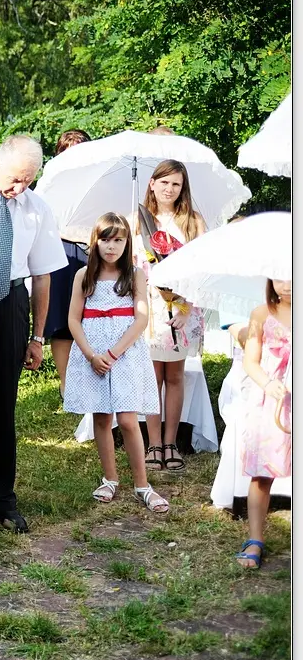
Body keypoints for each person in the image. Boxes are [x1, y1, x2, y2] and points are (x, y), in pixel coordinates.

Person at [0, 135, 67, 534]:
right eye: (14, 178)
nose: (19, 187)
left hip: (11, 300)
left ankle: (1, 498)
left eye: (28, 179)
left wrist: (37, 337)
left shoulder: (37, 208)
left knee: (3, 404)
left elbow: (43, 275)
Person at [63, 212, 167, 513]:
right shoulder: (84, 276)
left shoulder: (134, 275)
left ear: (127, 243)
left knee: (128, 419)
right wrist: (91, 355)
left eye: (118, 240)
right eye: (105, 240)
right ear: (95, 242)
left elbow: (141, 319)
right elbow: (73, 319)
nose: (111, 247)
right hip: (93, 354)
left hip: (124, 354)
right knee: (101, 418)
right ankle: (110, 478)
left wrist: (113, 353)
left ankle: (142, 484)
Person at [131, 159, 208, 473]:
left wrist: (185, 306)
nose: (169, 189)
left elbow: (202, 267)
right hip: (149, 306)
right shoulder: (137, 220)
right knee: (153, 376)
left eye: (176, 184)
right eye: (164, 182)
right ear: (152, 184)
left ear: (183, 188)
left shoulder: (193, 221)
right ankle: (153, 443)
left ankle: (170, 442)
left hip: (182, 307)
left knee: (175, 376)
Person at [235, 279, 292, 569]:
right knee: (262, 472)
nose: (288, 284)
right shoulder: (262, 313)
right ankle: (255, 538)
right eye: (280, 277)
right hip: (274, 400)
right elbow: (251, 361)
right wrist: (268, 383)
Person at [46, 129, 93, 396]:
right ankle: (67, 384)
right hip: (61, 253)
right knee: (62, 321)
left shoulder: (99, 181)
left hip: (93, 252)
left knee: (91, 318)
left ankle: (92, 380)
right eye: (67, 151)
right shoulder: (52, 183)